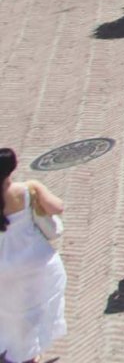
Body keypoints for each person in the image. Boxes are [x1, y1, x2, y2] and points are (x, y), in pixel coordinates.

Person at [0, 147, 66, 363]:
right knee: (32, 312)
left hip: (4, 266)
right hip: (36, 262)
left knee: (7, 312)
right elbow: (58, 207)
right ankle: (28, 356)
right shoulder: (27, 190)